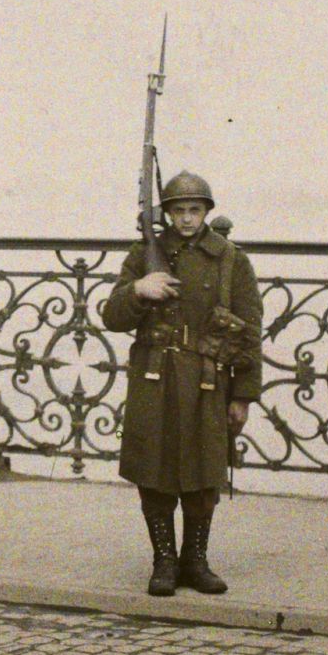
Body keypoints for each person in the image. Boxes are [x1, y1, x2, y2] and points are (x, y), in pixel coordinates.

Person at [100, 171, 264, 597]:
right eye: (178, 210)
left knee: (204, 470)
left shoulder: (230, 259)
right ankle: (164, 562)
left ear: (207, 211)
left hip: (207, 379)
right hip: (153, 376)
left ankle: (195, 560)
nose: (187, 218)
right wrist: (138, 289)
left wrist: (243, 395)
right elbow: (112, 317)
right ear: (166, 213)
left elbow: (249, 332)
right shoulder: (145, 254)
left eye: (194, 209)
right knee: (153, 470)